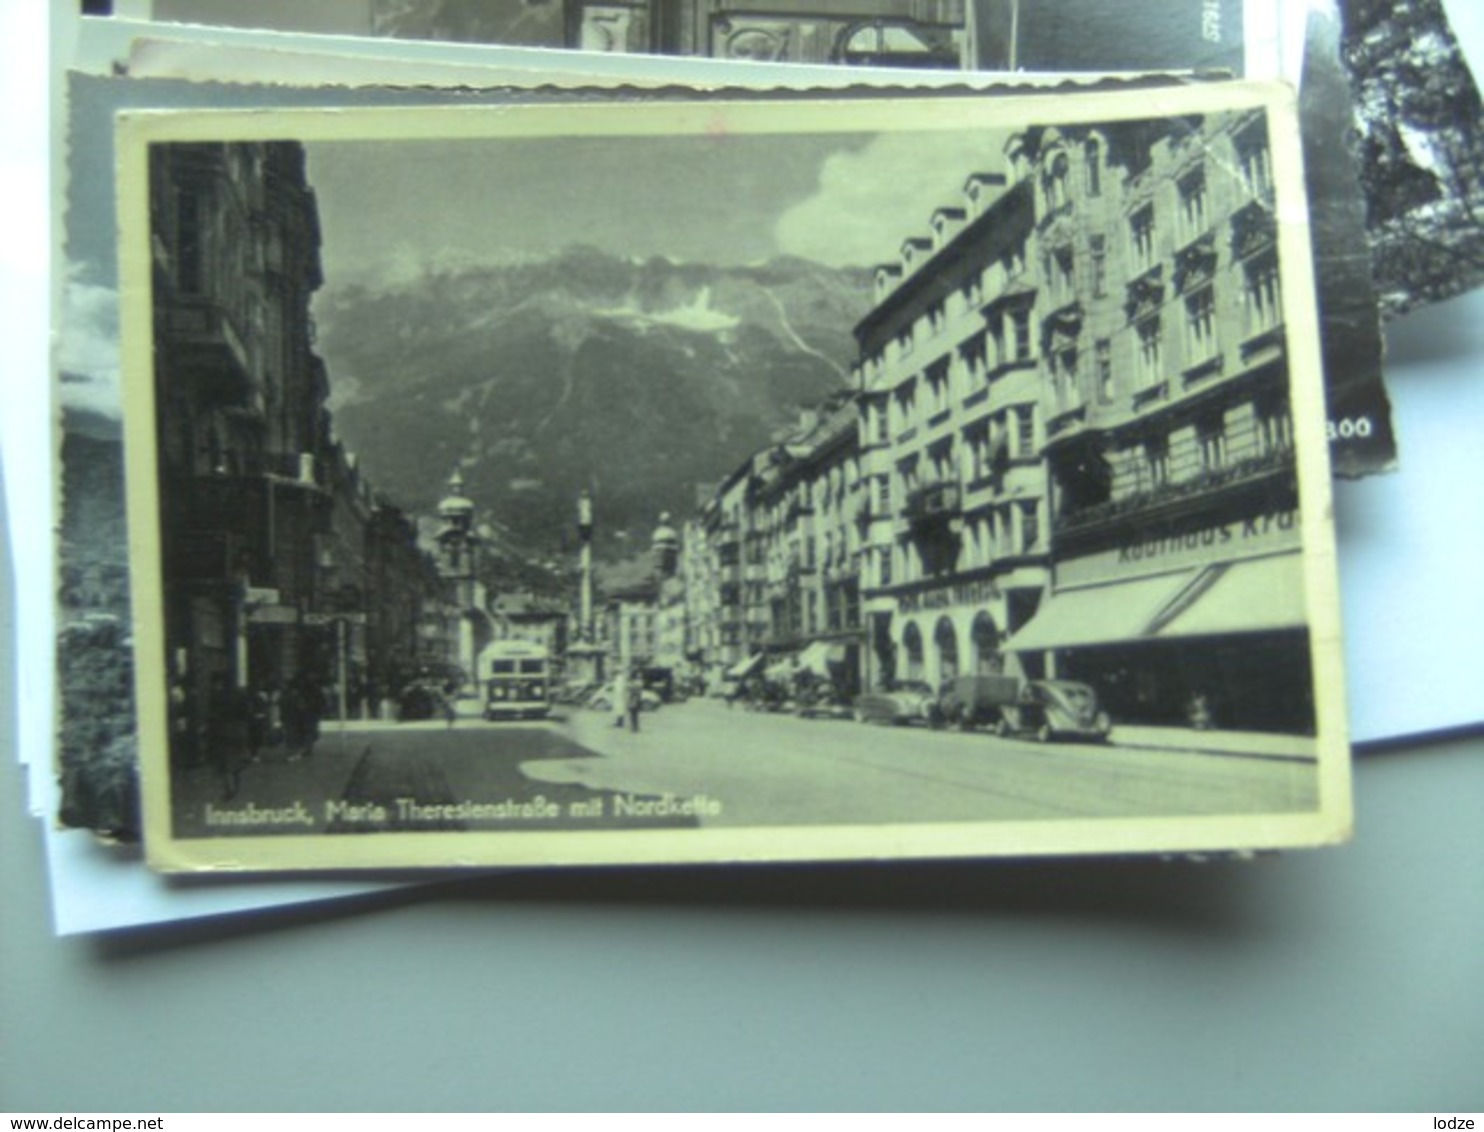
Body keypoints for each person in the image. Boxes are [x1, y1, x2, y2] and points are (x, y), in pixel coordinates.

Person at [626, 668, 643, 733]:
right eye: (639, 675)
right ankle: (635, 727)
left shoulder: (636, 683)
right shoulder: (637, 682)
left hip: (634, 699)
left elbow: (634, 691)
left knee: (634, 714)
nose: (640, 676)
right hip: (635, 698)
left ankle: (634, 727)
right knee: (634, 714)